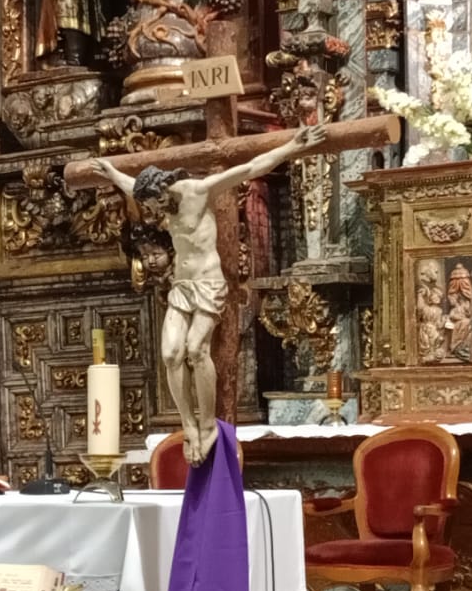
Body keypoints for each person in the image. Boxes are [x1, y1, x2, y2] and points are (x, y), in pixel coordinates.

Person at [89, 123, 331, 465]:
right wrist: (113, 170)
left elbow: (248, 168)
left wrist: (292, 146)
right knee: (171, 354)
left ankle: (207, 424)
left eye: (155, 204)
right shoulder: (155, 198)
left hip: (208, 283)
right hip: (182, 286)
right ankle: (189, 425)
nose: (154, 213)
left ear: (166, 189)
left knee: (196, 349)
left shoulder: (198, 191)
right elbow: (132, 185)